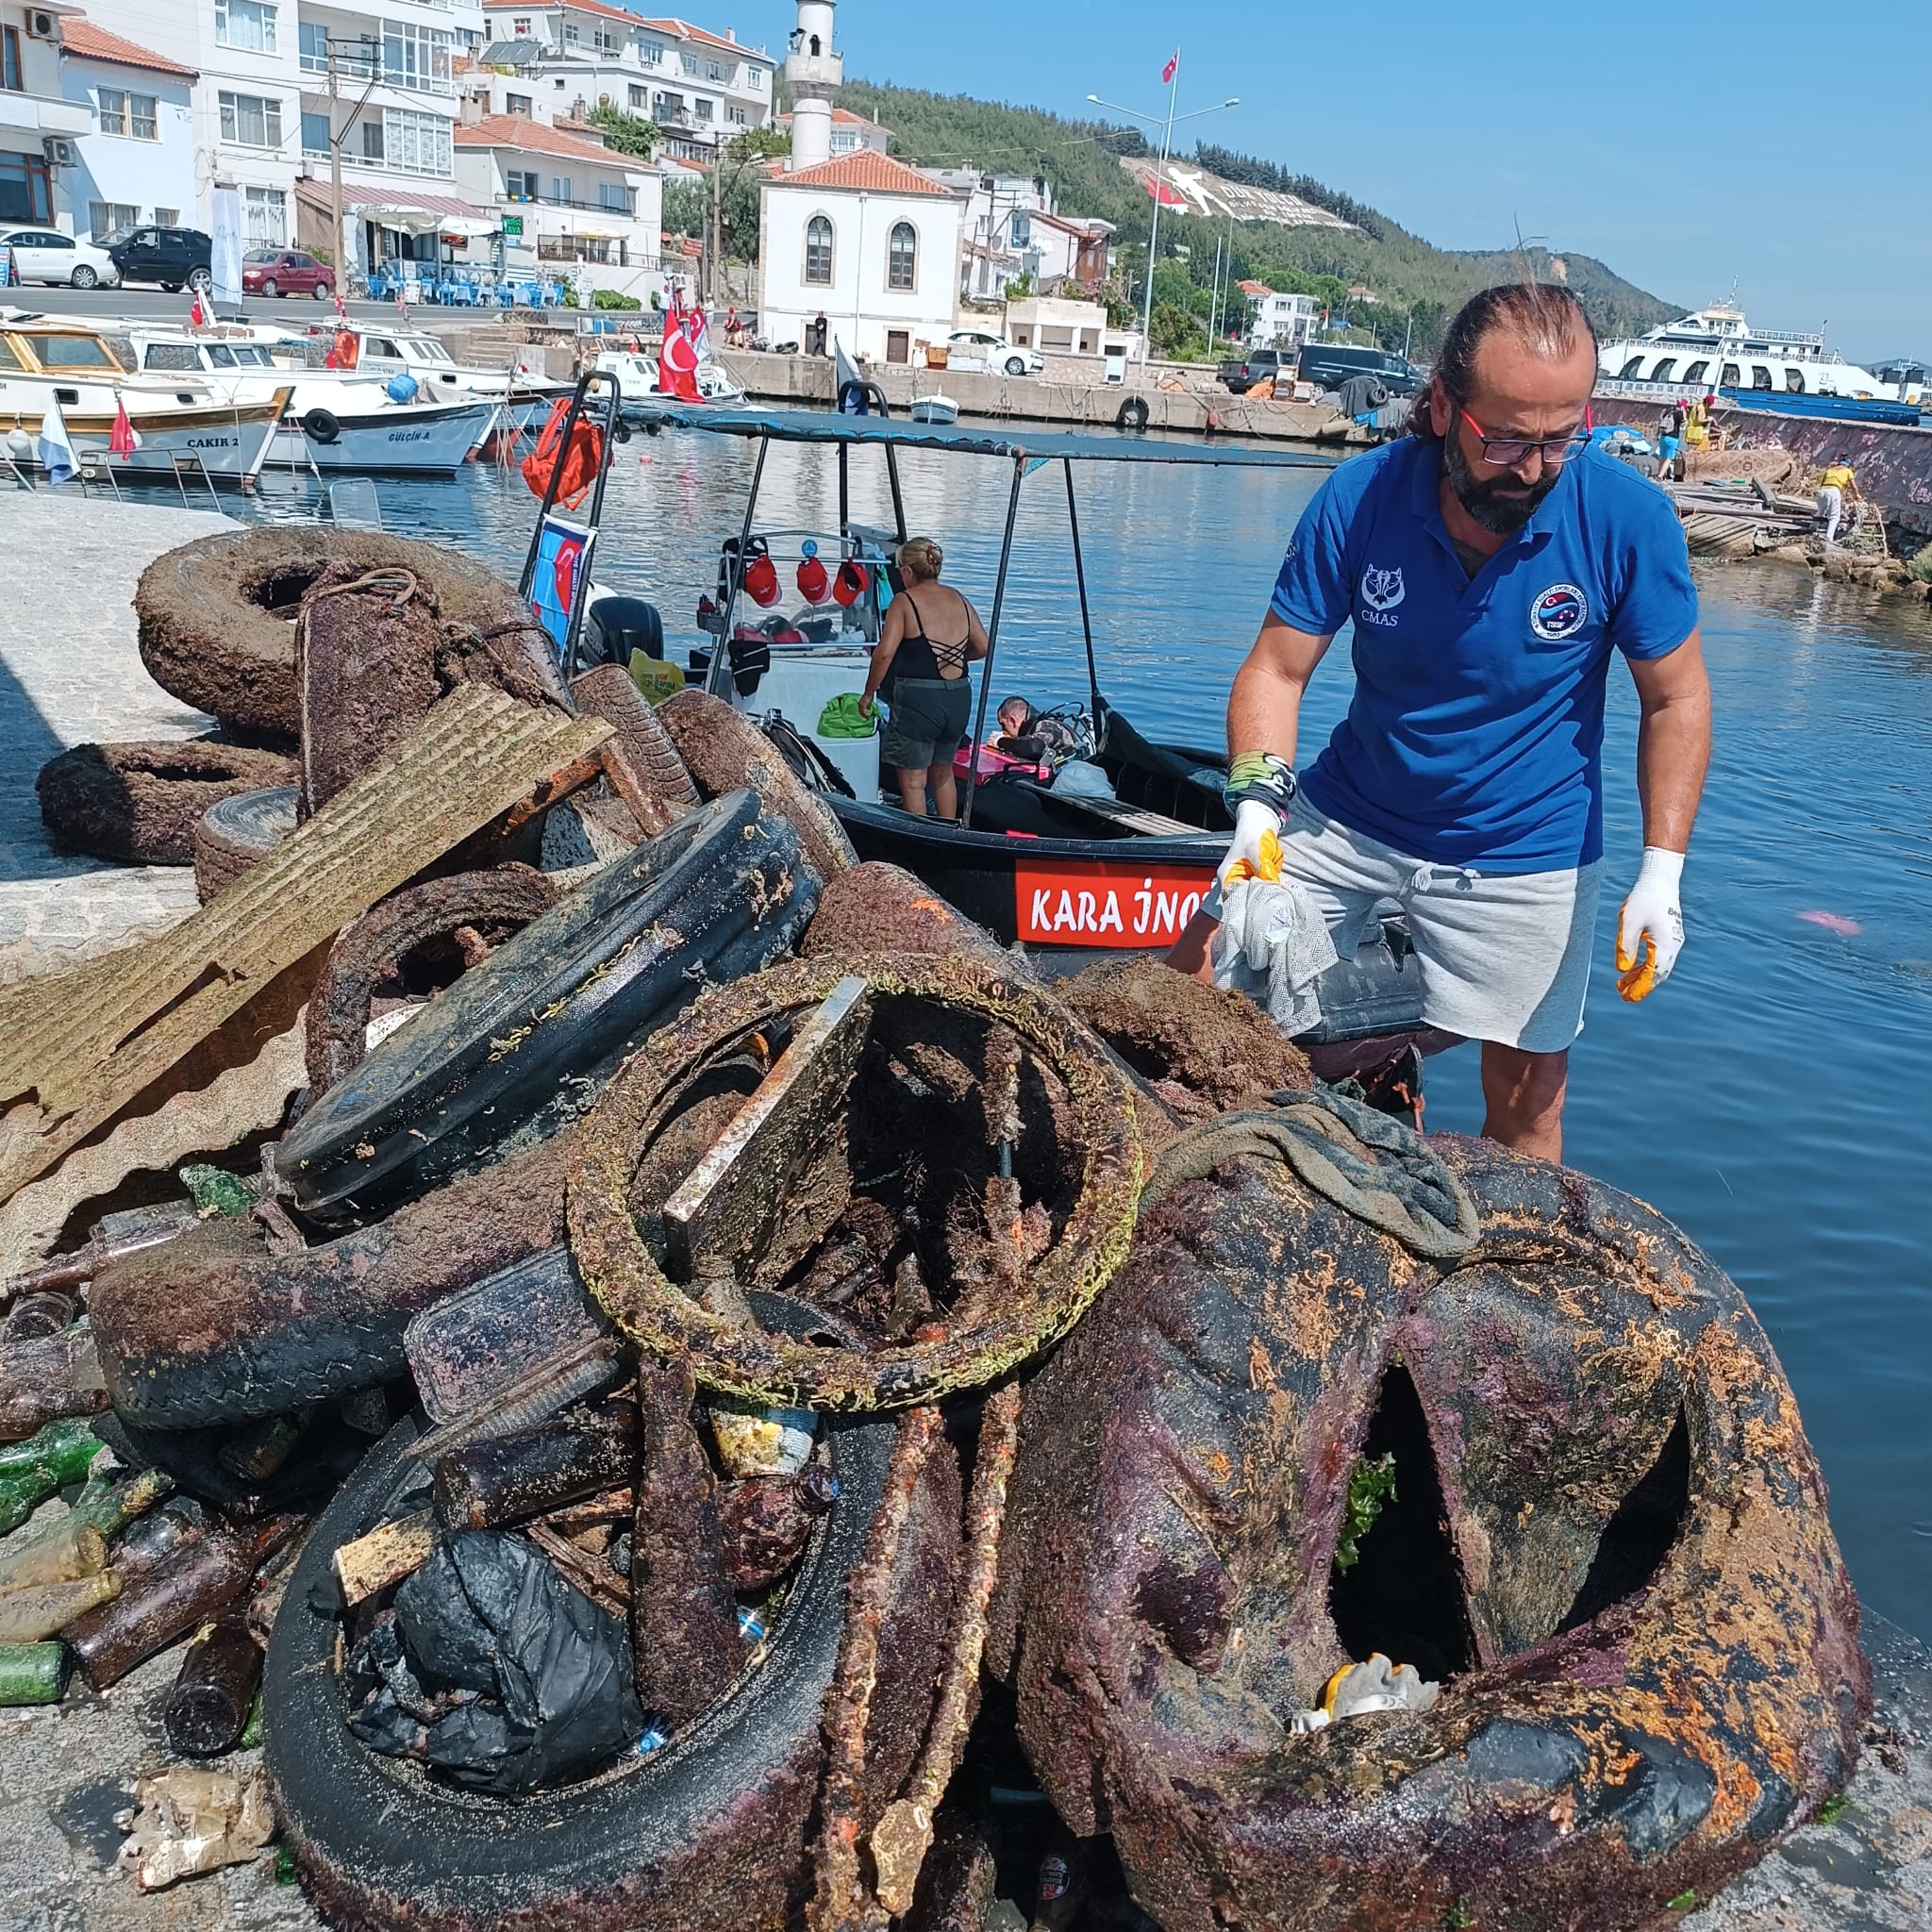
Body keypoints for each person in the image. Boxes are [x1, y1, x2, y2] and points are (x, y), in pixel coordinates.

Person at [1214, 281, 1710, 1161]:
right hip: (1347, 818)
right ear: (1443, 405)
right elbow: (1276, 669)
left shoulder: (1626, 520)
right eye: (1507, 438)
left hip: (1527, 851)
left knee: (1528, 1108)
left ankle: (1511, 1283)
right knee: (1202, 1007)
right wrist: (1256, 808)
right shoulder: (1360, 498)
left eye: (1561, 438)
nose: (1532, 466)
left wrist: (1662, 874)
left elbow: (1675, 699)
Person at [859, 538, 990, 818]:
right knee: (943, 775)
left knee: (914, 783)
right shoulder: (959, 598)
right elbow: (983, 646)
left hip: (920, 701)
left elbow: (884, 654)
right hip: (958, 696)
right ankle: (952, 836)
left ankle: (920, 839)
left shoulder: (904, 601)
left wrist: (869, 693)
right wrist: (953, 660)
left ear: (907, 571)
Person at [1816, 458, 1858, 545]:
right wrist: (1857, 496)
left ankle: (1811, 528)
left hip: (1822, 490)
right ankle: (1829, 538)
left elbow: (1822, 483)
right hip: (1834, 490)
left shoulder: (1830, 470)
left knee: (1820, 511)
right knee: (1835, 517)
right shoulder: (1847, 471)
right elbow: (1854, 486)